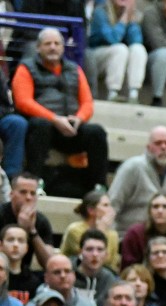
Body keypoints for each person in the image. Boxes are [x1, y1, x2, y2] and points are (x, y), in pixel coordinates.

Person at [12, 28, 109, 195]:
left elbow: (87, 102)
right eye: (47, 43)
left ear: (63, 48)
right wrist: (54, 118)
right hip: (43, 127)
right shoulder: (26, 68)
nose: (52, 47)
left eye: (57, 43)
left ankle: (98, 188)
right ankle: (35, 182)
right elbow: (23, 102)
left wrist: (79, 118)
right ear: (38, 47)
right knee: (40, 124)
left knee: (96, 132)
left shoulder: (74, 69)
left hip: (71, 127)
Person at [87, 0, 148, 103]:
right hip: (95, 57)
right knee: (120, 49)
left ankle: (133, 94)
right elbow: (112, 39)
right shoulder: (101, 11)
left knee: (138, 49)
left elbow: (137, 40)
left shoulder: (133, 14)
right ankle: (113, 93)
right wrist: (123, 20)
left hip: (118, 57)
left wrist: (131, 22)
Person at [119, 192, 166, 268]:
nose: (160, 211)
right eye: (155, 207)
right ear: (149, 212)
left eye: (165, 207)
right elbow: (128, 267)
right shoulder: (135, 234)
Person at [61, 190, 119, 270]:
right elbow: (92, 260)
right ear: (91, 210)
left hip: (104, 276)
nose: (111, 211)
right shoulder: (75, 230)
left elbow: (112, 265)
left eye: (110, 205)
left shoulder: (113, 235)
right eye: (105, 205)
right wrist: (101, 230)